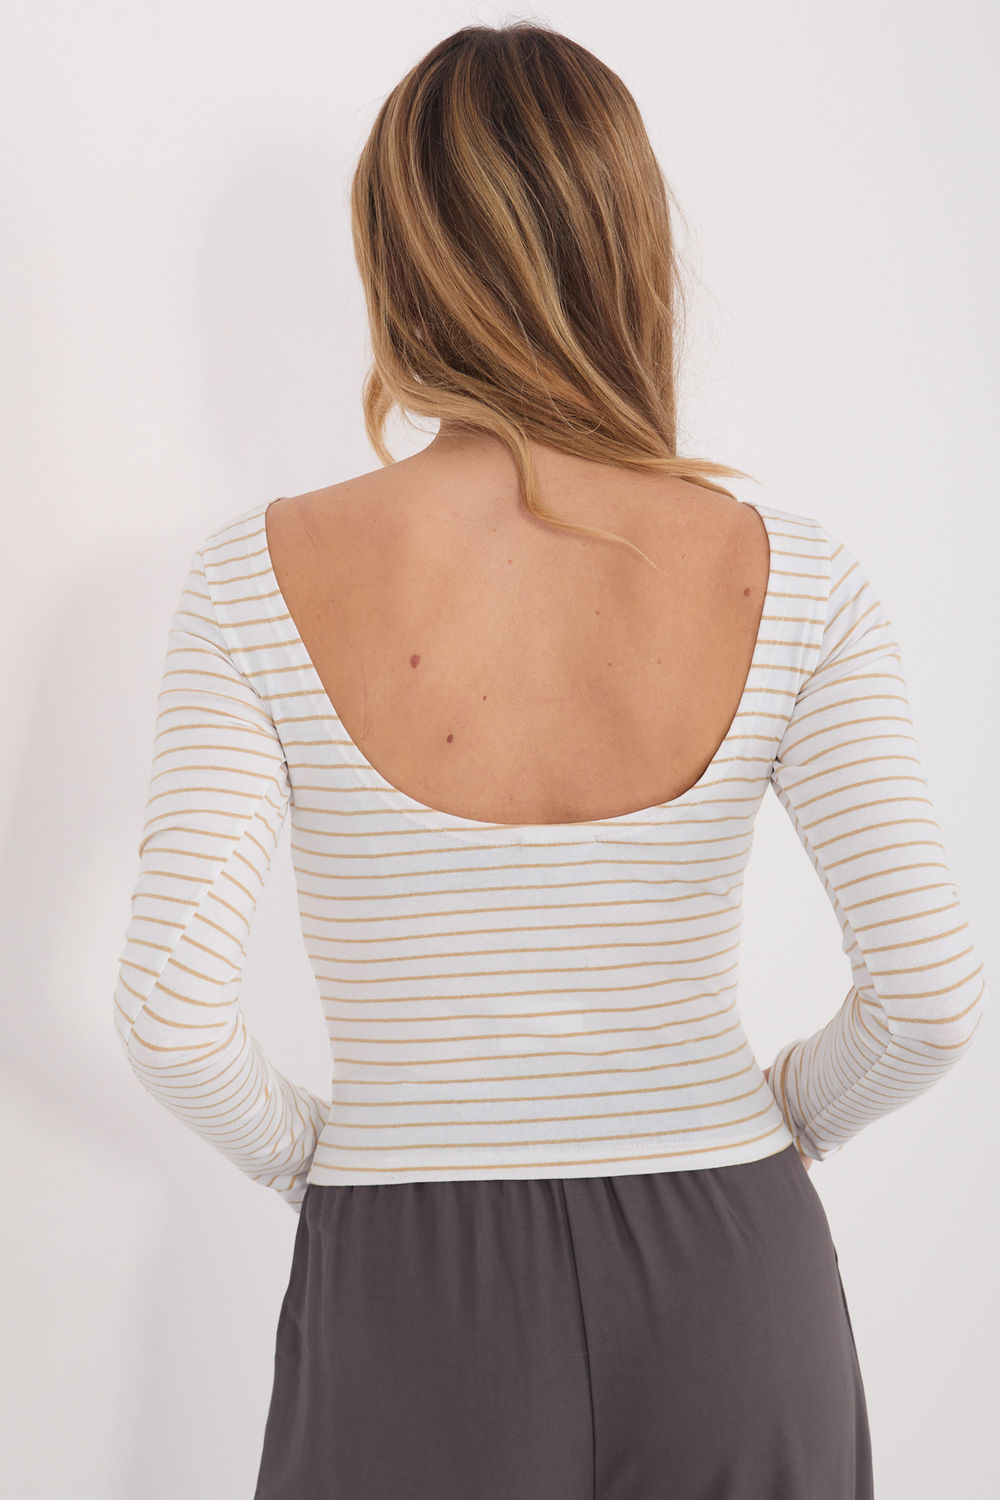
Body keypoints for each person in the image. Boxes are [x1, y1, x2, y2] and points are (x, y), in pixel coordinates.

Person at [112, 22, 987, 1500]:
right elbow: (934, 997)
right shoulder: (791, 575)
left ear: (395, 259)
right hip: (734, 1275)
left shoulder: (257, 579)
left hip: (408, 1290)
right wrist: (773, 1128)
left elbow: (169, 1017)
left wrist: (332, 1159)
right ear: (628, 248)